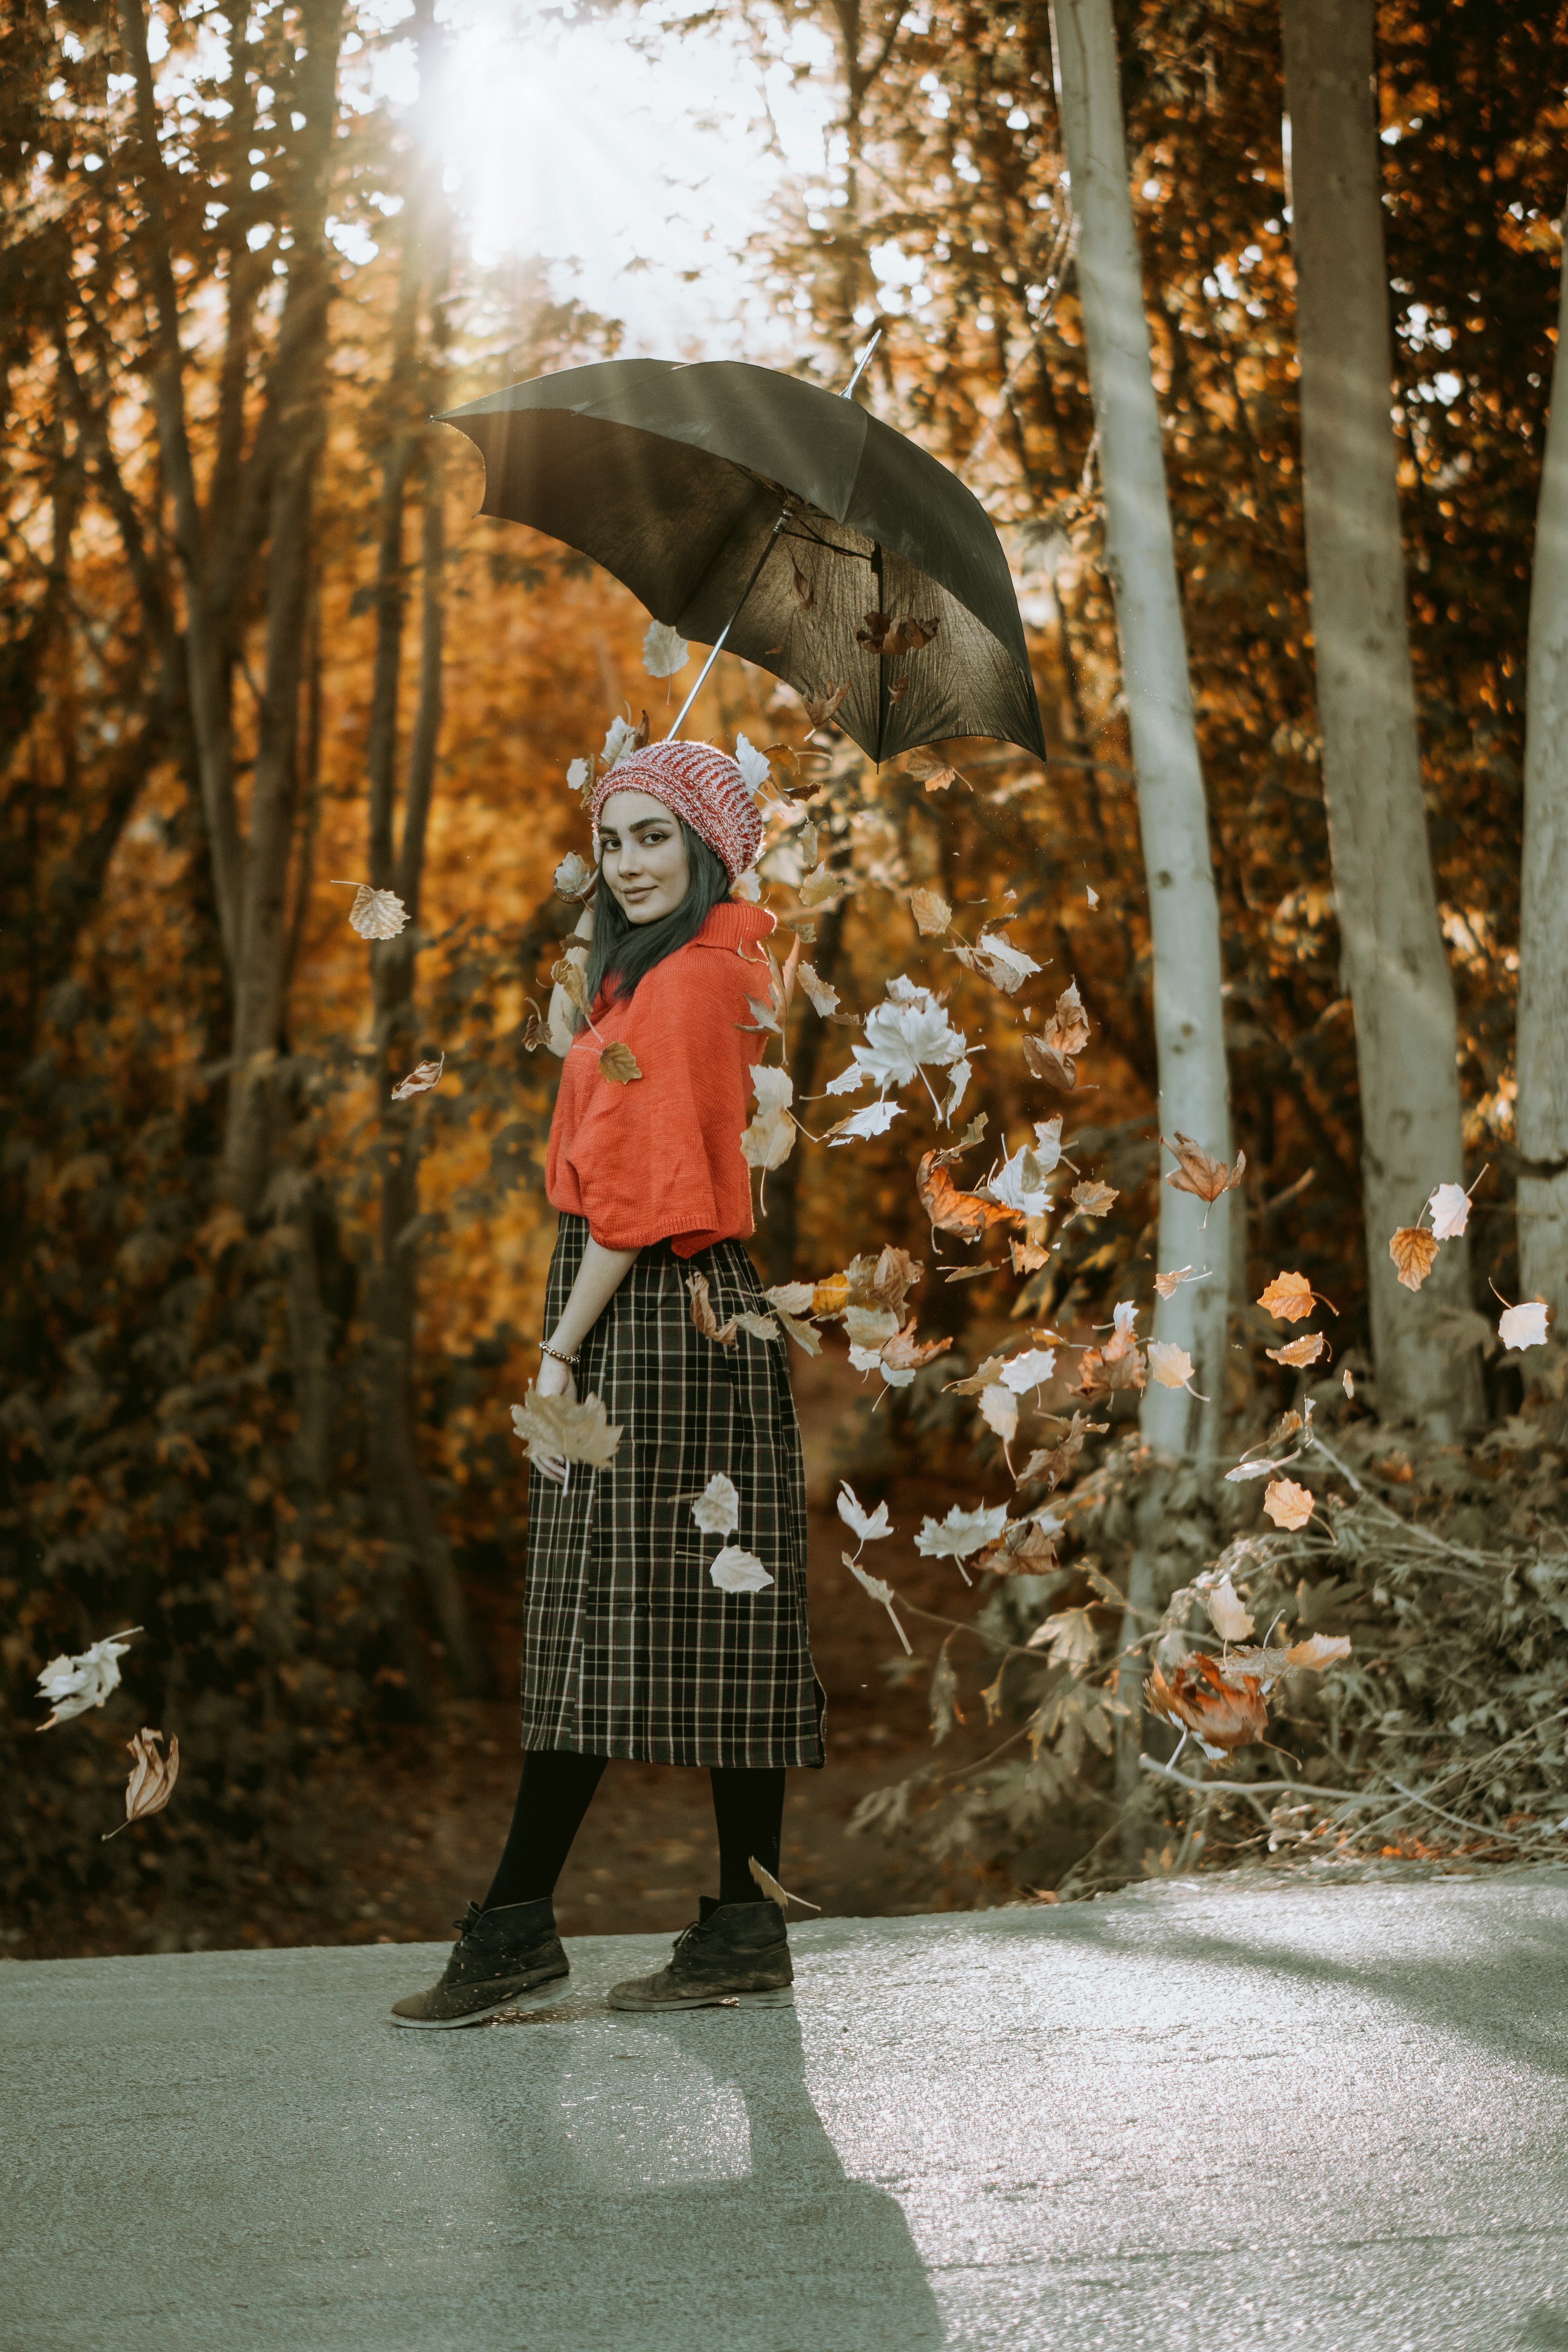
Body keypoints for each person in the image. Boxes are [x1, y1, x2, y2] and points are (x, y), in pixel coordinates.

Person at [392, 739, 824, 2030]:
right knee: (716, 1619)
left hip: (641, 1312)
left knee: (593, 1615)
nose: (631, 862)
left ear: (707, 846)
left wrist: (560, 1348)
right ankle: (745, 1927)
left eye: (656, 837)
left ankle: (519, 1925)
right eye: (615, 838)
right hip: (707, 1316)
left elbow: (631, 1208)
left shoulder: (689, 986)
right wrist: (601, 988)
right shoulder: (699, 969)